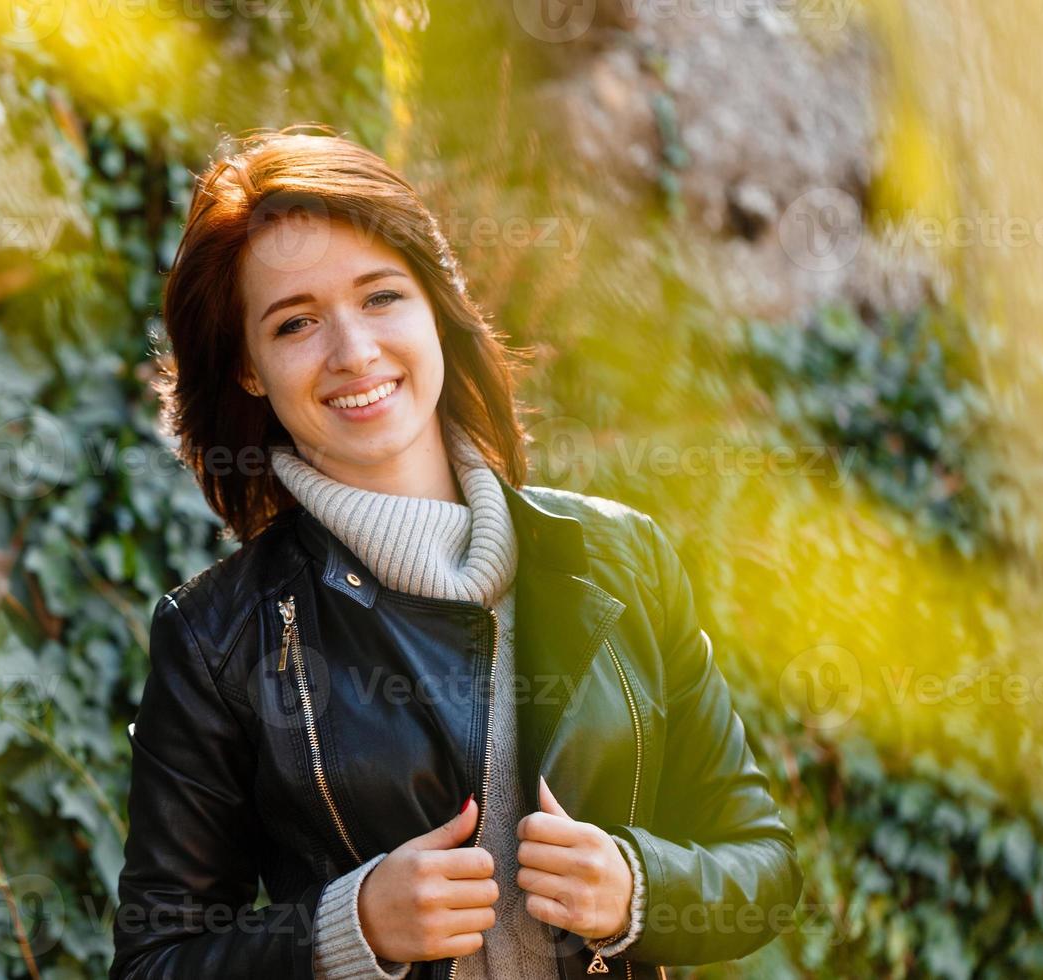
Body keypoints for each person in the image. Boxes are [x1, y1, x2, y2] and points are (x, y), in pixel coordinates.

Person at [109, 126, 802, 980]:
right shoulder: (218, 639)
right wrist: (346, 928)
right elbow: (155, 963)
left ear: (435, 301)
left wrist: (638, 887)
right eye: (295, 323)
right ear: (249, 368)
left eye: (380, 296)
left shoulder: (620, 557)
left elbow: (763, 863)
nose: (353, 351)